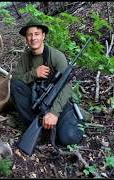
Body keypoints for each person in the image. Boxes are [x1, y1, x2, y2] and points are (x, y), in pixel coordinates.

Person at [10, 18, 89, 146]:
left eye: (36, 34)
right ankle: (34, 126)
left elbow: (67, 87)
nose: (33, 38)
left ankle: (64, 121)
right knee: (16, 86)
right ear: (26, 38)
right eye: (29, 35)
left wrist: (54, 113)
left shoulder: (56, 56)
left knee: (69, 138)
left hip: (56, 101)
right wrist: (33, 74)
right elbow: (15, 80)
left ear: (43, 36)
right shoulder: (25, 57)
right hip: (36, 101)